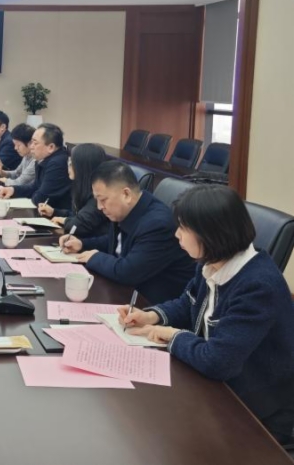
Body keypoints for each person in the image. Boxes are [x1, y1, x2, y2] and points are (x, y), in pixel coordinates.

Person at [120, 185, 294, 443]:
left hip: (255, 412)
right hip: (215, 386)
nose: (176, 234)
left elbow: (218, 361)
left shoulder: (257, 286)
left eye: (183, 228)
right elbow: (188, 303)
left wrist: (173, 336)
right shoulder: (212, 261)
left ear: (211, 233)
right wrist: (152, 316)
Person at [59, 160, 195, 303]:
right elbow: (115, 242)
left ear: (126, 194)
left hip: (151, 304)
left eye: (103, 200)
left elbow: (128, 272)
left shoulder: (158, 224)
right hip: (126, 293)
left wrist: (95, 257)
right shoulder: (127, 209)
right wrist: (82, 244)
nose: (99, 207)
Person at [38, 143, 109, 238]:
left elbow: (80, 224)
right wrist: (54, 212)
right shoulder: (81, 187)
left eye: (71, 163)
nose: (68, 166)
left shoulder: (98, 195)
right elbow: (77, 214)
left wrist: (64, 221)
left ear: (83, 167)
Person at [0, 123, 72, 210]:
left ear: (51, 147)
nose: (31, 147)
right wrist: (13, 190)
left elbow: (40, 199)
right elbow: (34, 186)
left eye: (35, 143)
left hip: (58, 214)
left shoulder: (57, 163)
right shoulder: (42, 159)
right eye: (31, 142)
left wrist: (34, 194)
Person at [0, 123, 35, 187]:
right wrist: (1, 172)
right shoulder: (26, 156)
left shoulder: (35, 160)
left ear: (29, 143)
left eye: (18, 145)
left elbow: (20, 182)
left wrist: (5, 181)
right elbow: (16, 173)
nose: (15, 148)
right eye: (15, 144)